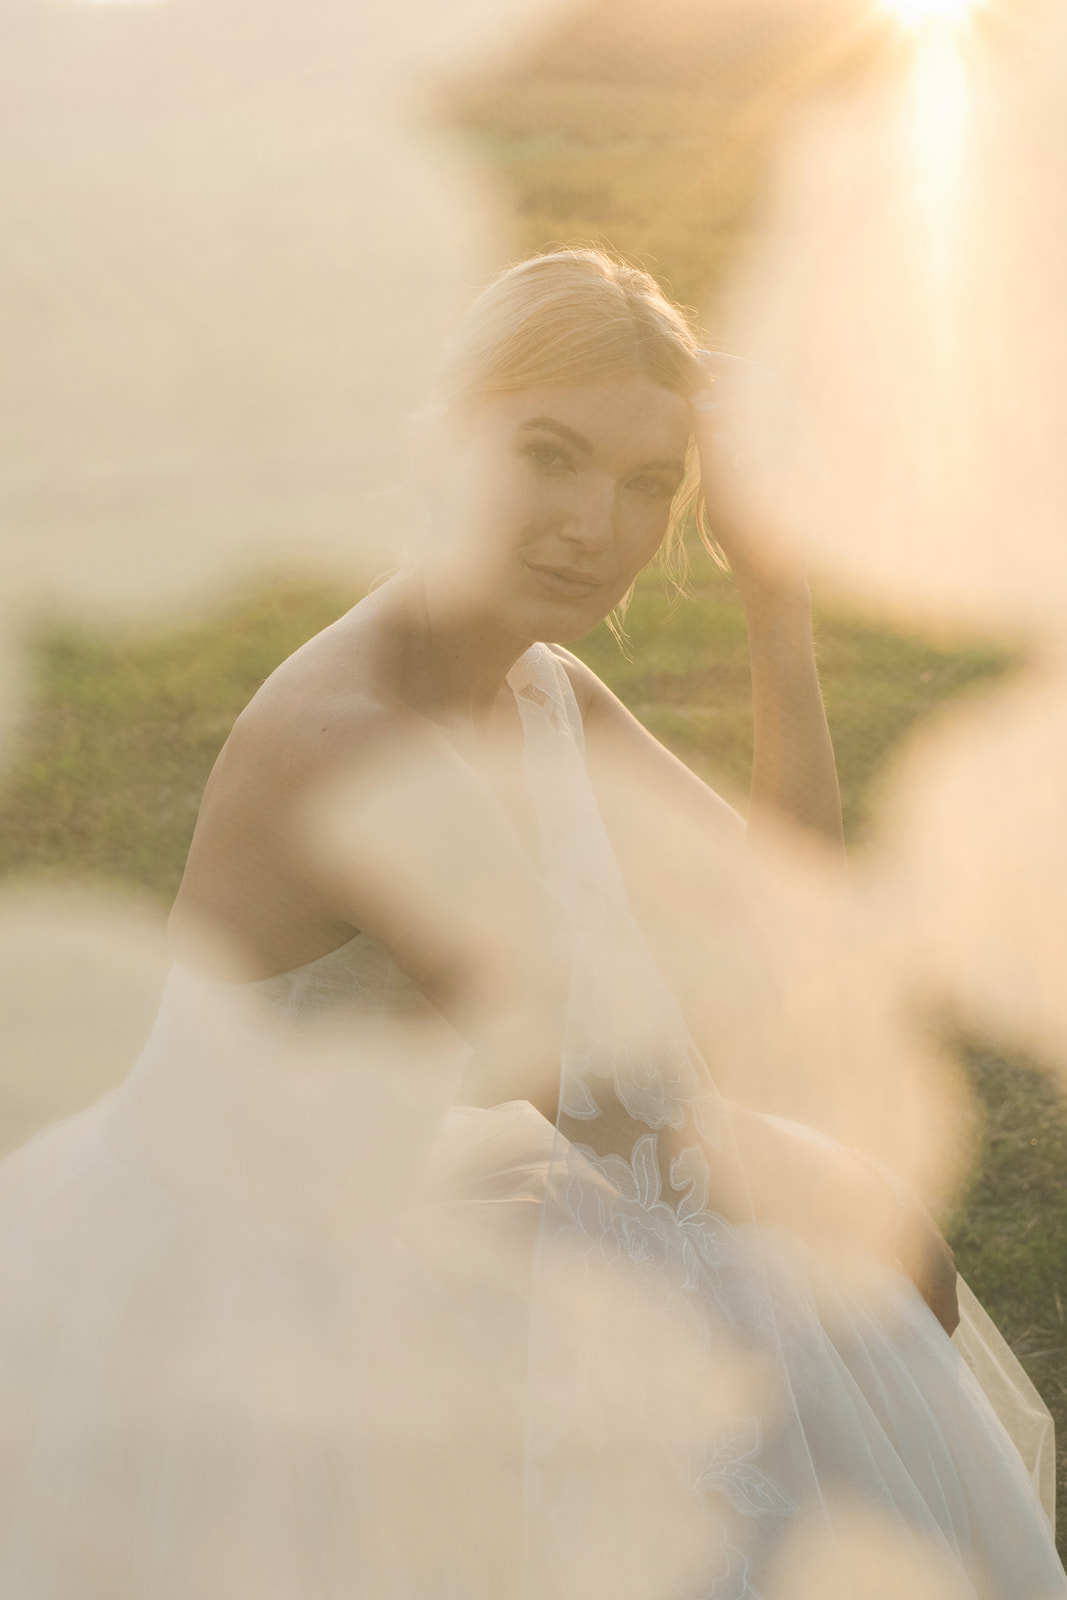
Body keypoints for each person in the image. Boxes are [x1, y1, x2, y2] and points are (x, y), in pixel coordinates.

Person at [0, 248, 1062, 1597]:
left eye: (647, 487)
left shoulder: (542, 690)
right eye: (547, 455)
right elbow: (617, 1100)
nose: (595, 527)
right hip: (228, 1291)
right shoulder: (351, 741)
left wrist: (774, 594)